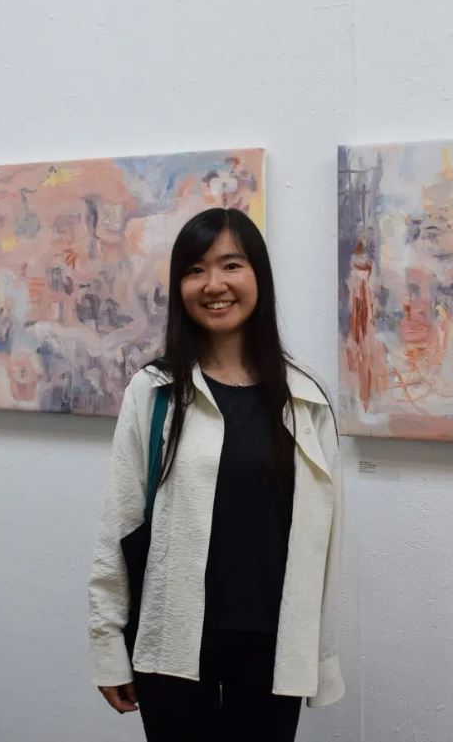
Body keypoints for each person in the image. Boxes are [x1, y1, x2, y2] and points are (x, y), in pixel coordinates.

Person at [88, 208, 344, 741]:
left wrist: (319, 653)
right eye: (195, 270)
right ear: (180, 285)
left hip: (272, 646)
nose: (214, 285)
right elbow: (119, 525)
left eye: (231, 265)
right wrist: (108, 644)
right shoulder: (154, 391)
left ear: (258, 278)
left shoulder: (305, 398)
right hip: (174, 639)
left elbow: (327, 545)